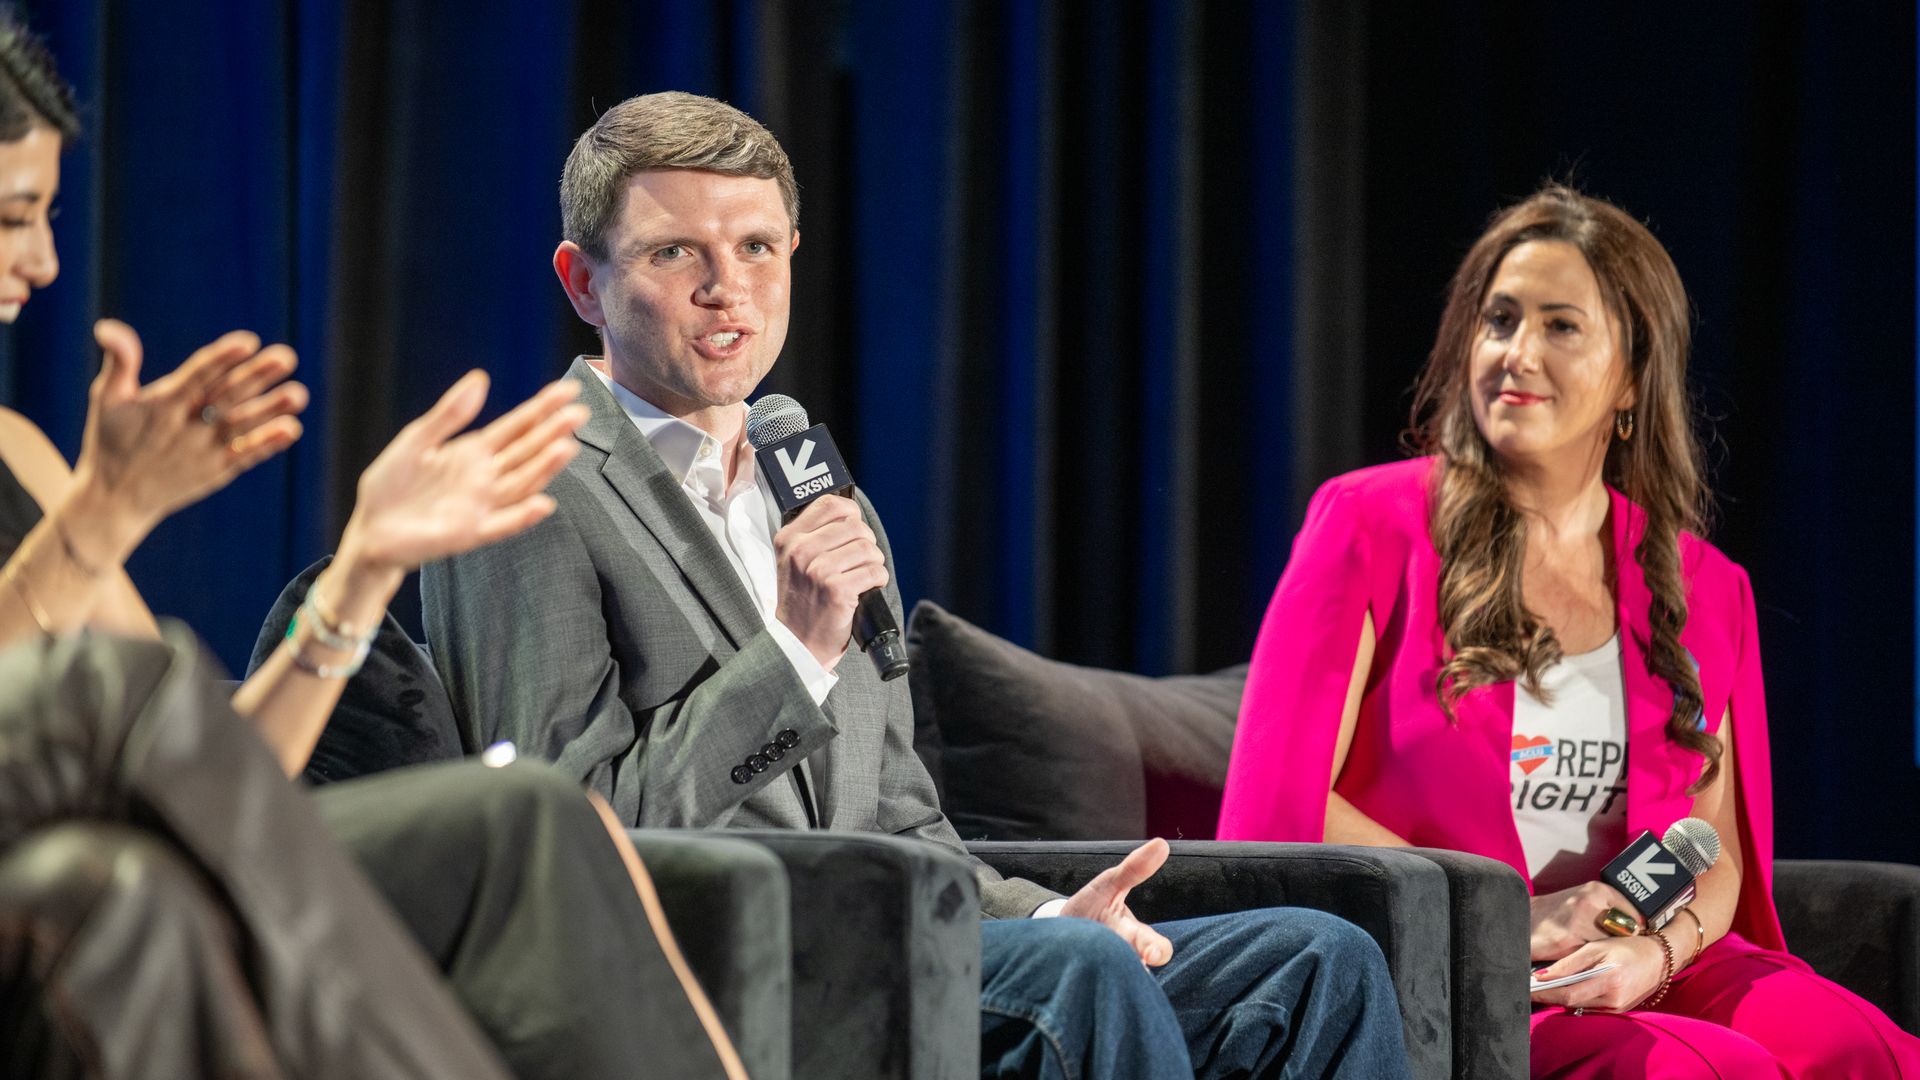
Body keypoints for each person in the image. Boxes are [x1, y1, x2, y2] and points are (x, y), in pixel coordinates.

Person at [423, 90, 1411, 1080]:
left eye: (757, 247)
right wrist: (793, 653)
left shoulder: (815, 490)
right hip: (703, 977)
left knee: (1317, 963)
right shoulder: (521, 489)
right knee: (1082, 980)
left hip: (884, 952)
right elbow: (572, 830)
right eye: (675, 252)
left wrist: (1047, 917)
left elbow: (900, 820)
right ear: (583, 283)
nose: (728, 289)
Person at [0, 15, 744, 1079]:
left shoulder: (18, 456)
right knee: (106, 773)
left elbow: (217, 779)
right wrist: (95, 527)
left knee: (518, 815)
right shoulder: (70, 512)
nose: (41, 259)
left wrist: (364, 569)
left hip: (101, 842)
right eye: (13, 215)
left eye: (46, 215)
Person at [1217, 182, 1920, 1077]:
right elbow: (1277, 804)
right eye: (1499, 320)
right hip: (1452, 962)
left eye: (1560, 326)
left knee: (1862, 1051)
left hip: (1645, 957)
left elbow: (1714, 852)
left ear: (1631, 376)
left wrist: (1654, 953)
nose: (1517, 353)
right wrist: (1507, 912)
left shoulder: (1708, 586)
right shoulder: (1367, 524)